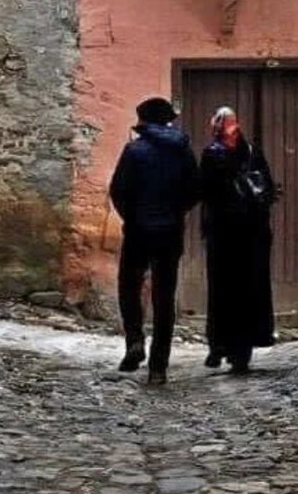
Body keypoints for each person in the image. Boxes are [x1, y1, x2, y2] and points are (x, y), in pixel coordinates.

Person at [109, 96, 200, 385]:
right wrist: (176, 212)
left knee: (129, 286)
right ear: (168, 120)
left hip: (138, 230)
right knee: (164, 295)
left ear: (144, 121)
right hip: (170, 231)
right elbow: (194, 189)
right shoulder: (183, 151)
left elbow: (118, 190)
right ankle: (159, 366)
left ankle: (135, 340)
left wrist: (131, 217)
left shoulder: (134, 151)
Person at [199, 106, 276, 374]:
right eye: (223, 124)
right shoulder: (212, 155)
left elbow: (267, 187)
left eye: (228, 123)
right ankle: (222, 345)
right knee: (225, 291)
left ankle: (240, 348)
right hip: (226, 234)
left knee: (245, 291)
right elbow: (207, 192)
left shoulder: (250, 153)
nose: (226, 128)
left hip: (247, 233)